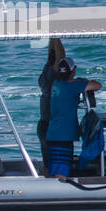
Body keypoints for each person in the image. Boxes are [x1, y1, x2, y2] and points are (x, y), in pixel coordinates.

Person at [44, 57, 101, 177]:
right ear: (73, 71)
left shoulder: (55, 84)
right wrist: (81, 81)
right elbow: (97, 85)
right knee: (61, 173)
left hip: (53, 133)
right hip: (63, 136)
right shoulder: (73, 86)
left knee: (53, 170)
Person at [37, 35, 66, 167]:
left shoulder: (45, 72)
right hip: (50, 126)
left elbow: (54, 55)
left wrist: (53, 37)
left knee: (48, 163)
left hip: (44, 124)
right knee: (54, 163)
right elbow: (60, 57)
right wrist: (56, 37)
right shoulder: (52, 77)